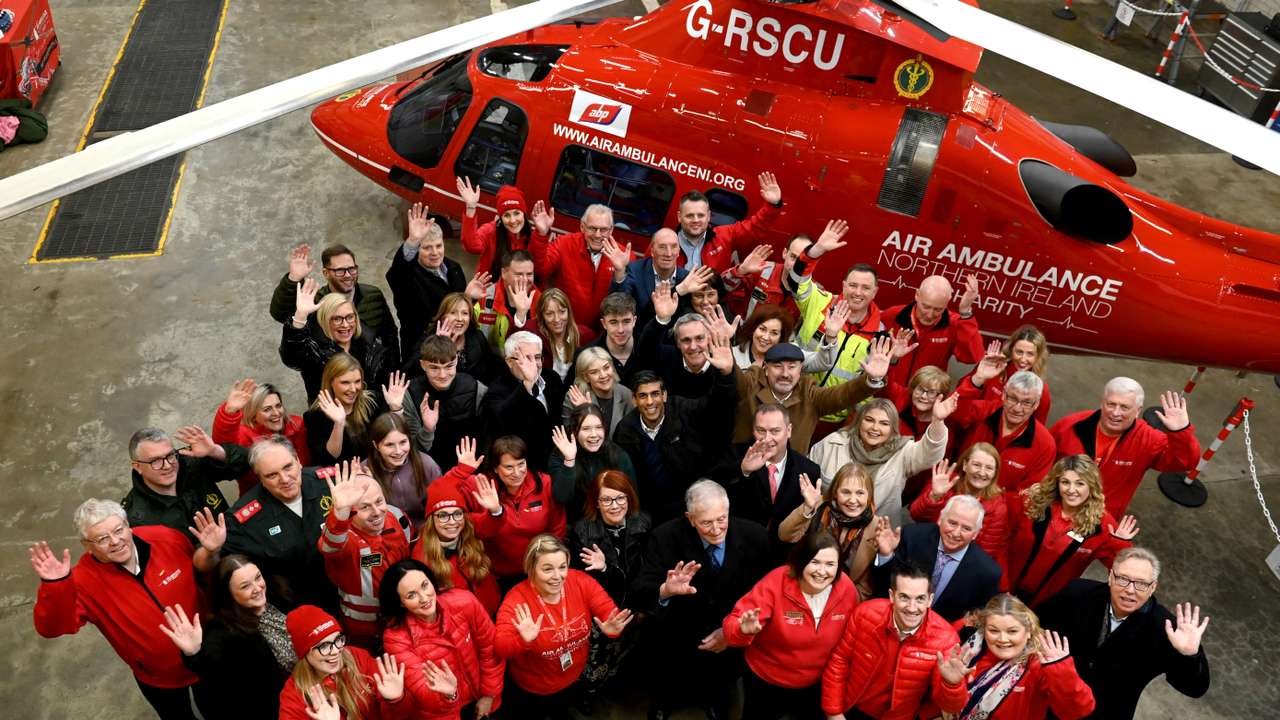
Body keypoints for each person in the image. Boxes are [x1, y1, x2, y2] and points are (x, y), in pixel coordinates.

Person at [30, 499, 223, 719]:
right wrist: (56, 586)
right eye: (102, 539)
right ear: (87, 545)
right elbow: (52, 628)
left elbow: (203, 575)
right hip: (158, 679)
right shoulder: (82, 581)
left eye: (118, 530)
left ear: (127, 525)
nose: (115, 541)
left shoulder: (165, 538)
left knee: (218, 709)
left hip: (207, 657)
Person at [633, 480, 771, 720]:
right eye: (706, 522)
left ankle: (714, 703)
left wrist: (730, 632)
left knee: (719, 687)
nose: (717, 529)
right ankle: (664, 704)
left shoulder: (756, 535)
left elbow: (765, 593)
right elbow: (640, 589)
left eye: (722, 519)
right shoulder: (664, 537)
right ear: (690, 518)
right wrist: (666, 590)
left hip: (727, 631)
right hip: (678, 632)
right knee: (669, 681)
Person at [1036, 547, 1211, 719]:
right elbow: (1034, 628)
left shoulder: (1167, 629)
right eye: (1123, 579)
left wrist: (1189, 656)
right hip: (1047, 705)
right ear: (1111, 577)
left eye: (1141, 584)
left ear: (1153, 588)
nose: (1130, 590)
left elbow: (1194, 688)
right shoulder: (1077, 594)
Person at [722, 531, 859, 720]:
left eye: (830, 564)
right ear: (801, 561)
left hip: (815, 684)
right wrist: (742, 630)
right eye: (815, 562)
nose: (822, 571)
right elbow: (731, 627)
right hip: (767, 681)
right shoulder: (775, 583)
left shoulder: (847, 590)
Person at [494, 535, 633, 718]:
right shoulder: (516, 600)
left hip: (573, 676)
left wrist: (613, 628)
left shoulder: (580, 581)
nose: (557, 577)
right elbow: (500, 648)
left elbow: (608, 610)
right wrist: (522, 640)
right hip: (534, 687)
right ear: (531, 569)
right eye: (547, 569)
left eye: (562, 567)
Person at [821, 561, 972, 720]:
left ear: (930, 600)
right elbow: (839, 661)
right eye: (904, 597)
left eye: (920, 599)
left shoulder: (945, 639)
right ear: (892, 596)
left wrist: (952, 684)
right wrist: (834, 712)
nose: (912, 608)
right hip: (850, 707)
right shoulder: (864, 614)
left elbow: (950, 707)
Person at [156, 555, 296, 720]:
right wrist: (194, 654)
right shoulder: (224, 633)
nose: (257, 588)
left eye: (258, 577)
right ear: (228, 593)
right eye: (245, 586)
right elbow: (215, 673)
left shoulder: (277, 593)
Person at [1050, 378, 1200, 517]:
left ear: (1138, 411)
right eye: (1111, 404)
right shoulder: (1070, 426)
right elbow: (1044, 459)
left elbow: (1186, 462)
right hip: (1056, 512)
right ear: (1102, 403)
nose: (1116, 413)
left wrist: (1180, 432)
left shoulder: (1147, 440)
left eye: (1125, 407)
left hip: (1099, 522)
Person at [1006, 455, 1139, 607]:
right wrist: (1002, 585)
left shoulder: (1102, 525)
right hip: (1004, 590)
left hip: (1049, 605)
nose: (1071, 490)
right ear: (1057, 483)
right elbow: (999, 539)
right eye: (1065, 482)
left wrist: (1120, 545)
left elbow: (1123, 574)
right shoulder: (1032, 502)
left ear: (1092, 486)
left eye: (1080, 484)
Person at [223, 436, 338, 612]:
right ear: (259, 478)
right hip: (296, 607)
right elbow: (218, 563)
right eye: (272, 475)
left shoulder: (330, 482)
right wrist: (209, 551)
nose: (284, 479)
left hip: (347, 592)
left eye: (288, 467)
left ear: (298, 461)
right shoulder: (245, 517)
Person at [380, 559, 503, 719]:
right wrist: (449, 695)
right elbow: (422, 692)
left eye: (425, 585)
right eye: (411, 595)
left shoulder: (465, 601)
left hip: (483, 697)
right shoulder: (395, 638)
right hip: (444, 712)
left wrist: (489, 695)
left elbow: (490, 649)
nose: (424, 598)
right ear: (401, 603)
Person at [613, 367, 739, 524]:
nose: (650, 402)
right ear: (634, 400)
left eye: (655, 394)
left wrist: (725, 376)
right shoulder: (625, 430)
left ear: (664, 395)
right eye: (643, 396)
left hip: (692, 500)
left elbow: (714, 405)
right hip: (651, 510)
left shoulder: (683, 410)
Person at [785, 222, 886, 416]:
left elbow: (865, 386)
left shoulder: (879, 334)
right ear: (843, 285)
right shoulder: (820, 301)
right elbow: (795, 281)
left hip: (831, 417)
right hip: (791, 399)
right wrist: (816, 251)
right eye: (853, 285)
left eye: (865, 288)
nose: (858, 292)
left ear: (875, 292)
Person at [568, 471, 652, 700]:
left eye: (620, 498)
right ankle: (588, 694)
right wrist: (605, 569)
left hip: (633, 605)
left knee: (626, 653)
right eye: (606, 499)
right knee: (596, 659)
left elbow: (646, 571)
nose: (614, 506)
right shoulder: (582, 532)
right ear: (596, 502)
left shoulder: (643, 523)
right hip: (600, 612)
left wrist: (642, 607)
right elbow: (584, 585)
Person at [810, 393, 956, 525]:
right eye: (869, 420)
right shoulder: (832, 443)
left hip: (875, 535)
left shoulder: (903, 451)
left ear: (893, 428)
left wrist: (937, 421)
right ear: (859, 421)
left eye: (884, 423)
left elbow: (930, 453)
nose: (875, 428)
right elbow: (807, 483)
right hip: (825, 528)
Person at [733, 338, 892, 453]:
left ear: (800, 369)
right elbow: (734, 382)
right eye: (778, 366)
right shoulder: (752, 384)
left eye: (792, 367)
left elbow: (843, 394)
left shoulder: (809, 395)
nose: (785, 374)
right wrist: (727, 365)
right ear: (766, 369)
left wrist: (871, 379)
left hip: (785, 479)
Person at [951, 594, 1095, 720]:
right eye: (994, 630)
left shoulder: (1040, 665)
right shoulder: (968, 640)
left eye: (1012, 631)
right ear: (984, 628)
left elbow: (1078, 711)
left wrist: (1061, 669)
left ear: (1028, 632)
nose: (1002, 638)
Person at [319, 461, 412, 647]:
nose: (377, 512)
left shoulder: (395, 517)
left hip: (403, 615)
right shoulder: (344, 538)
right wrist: (339, 514)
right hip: (364, 631)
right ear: (350, 511)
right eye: (364, 507)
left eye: (379, 501)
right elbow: (330, 546)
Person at [452, 435, 567, 585]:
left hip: (538, 570)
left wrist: (548, 564)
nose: (517, 472)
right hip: (496, 575)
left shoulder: (544, 483)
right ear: (495, 468)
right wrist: (461, 472)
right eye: (509, 467)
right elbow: (446, 500)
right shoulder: (480, 485)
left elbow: (557, 528)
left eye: (521, 464)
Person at [269, 242, 400, 370]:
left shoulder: (373, 294)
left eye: (352, 269)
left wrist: (392, 372)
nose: (348, 275)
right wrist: (293, 279)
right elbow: (280, 314)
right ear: (326, 273)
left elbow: (390, 336)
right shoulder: (315, 302)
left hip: (373, 382)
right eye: (340, 271)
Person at [874, 495, 1002, 623]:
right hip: (892, 620)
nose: (956, 533)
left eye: (966, 528)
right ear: (940, 519)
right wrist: (886, 555)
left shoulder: (988, 572)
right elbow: (883, 586)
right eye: (952, 523)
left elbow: (977, 620)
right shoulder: (912, 536)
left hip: (941, 637)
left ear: (975, 533)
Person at [278, 605, 413, 720]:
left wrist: (397, 700)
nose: (336, 650)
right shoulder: (293, 697)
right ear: (305, 653)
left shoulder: (357, 656)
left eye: (338, 639)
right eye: (324, 646)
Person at [710, 403, 822, 534]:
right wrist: (743, 470)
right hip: (738, 542)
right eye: (761, 430)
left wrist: (810, 508)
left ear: (789, 430)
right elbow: (711, 488)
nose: (767, 439)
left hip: (780, 548)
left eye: (775, 431)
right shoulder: (734, 456)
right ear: (753, 430)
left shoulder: (809, 470)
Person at [121, 425, 246, 541]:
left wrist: (214, 451)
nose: (167, 465)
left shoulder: (189, 461)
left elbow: (248, 463)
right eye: (156, 461)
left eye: (170, 455)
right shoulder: (137, 520)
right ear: (137, 467)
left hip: (239, 538)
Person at [777, 462, 881, 600]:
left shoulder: (877, 527)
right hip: (801, 587)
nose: (853, 500)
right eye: (846, 492)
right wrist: (808, 507)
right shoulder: (818, 506)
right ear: (835, 493)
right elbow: (784, 535)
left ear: (869, 496)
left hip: (843, 601)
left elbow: (866, 587)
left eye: (860, 493)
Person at [910, 445, 1013, 581]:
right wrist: (935, 496)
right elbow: (916, 515)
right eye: (976, 465)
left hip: (958, 569)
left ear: (995, 473)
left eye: (989, 468)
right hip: (923, 553)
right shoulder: (944, 482)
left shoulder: (998, 506)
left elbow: (985, 552)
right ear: (965, 465)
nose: (982, 473)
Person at [281, 278, 392, 402]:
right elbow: (291, 357)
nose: (345, 325)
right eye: (337, 319)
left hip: (370, 413)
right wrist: (300, 316)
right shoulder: (314, 349)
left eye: (350, 317)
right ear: (324, 320)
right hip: (328, 416)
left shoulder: (371, 344)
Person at [951, 365, 1057, 492]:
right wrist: (977, 379)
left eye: (1027, 403)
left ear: (1037, 404)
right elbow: (952, 412)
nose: (1017, 408)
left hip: (999, 509)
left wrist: (993, 504)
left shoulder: (1045, 445)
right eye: (1013, 398)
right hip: (957, 493)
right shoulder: (982, 412)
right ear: (1004, 395)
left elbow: (1027, 496)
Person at [386, 202, 468, 357]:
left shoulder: (454, 268)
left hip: (455, 345)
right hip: (422, 352)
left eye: (438, 245)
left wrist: (470, 298)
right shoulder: (408, 277)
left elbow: (458, 307)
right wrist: (412, 241)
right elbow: (398, 272)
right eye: (427, 247)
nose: (435, 252)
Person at [479, 331, 566, 471]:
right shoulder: (497, 390)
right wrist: (527, 385)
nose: (534, 364)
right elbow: (501, 419)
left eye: (537, 357)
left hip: (557, 459)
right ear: (509, 361)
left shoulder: (552, 378)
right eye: (526, 358)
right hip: (523, 467)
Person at [413, 480, 502, 616]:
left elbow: (492, 524)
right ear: (431, 519)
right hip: (463, 622)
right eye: (443, 515)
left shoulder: (468, 526)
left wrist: (495, 510)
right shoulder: (422, 556)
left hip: (493, 608)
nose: (452, 521)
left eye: (457, 513)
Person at [882, 273, 985, 386]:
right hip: (888, 390)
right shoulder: (893, 315)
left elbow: (972, 357)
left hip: (925, 396)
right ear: (917, 295)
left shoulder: (954, 324)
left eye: (938, 309)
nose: (930, 315)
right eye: (926, 306)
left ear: (948, 301)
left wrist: (965, 314)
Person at [671, 172, 784, 273]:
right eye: (690, 215)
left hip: (712, 296)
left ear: (709, 216)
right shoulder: (663, 244)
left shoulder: (724, 236)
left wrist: (773, 205)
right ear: (679, 217)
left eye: (701, 215)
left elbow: (754, 227)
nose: (696, 220)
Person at [402, 334, 486, 471]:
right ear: (423, 365)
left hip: (470, 468)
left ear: (457, 361)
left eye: (448, 366)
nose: (442, 375)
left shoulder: (475, 388)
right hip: (429, 472)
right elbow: (411, 450)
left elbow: (487, 435)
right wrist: (428, 430)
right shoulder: (410, 394)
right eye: (434, 368)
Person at [212, 378, 310, 493]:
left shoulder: (297, 424)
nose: (276, 413)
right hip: (263, 501)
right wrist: (228, 412)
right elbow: (225, 446)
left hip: (303, 491)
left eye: (278, 406)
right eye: (267, 409)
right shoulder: (244, 436)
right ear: (253, 414)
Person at [529, 202, 618, 328]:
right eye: (592, 228)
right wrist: (541, 234)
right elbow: (540, 269)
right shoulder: (564, 244)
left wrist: (621, 271)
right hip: (562, 327)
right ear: (582, 227)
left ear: (611, 230)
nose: (598, 235)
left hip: (601, 333)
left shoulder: (622, 255)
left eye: (603, 229)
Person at [550, 405, 637, 523]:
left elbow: (632, 496)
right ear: (575, 431)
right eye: (586, 429)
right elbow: (562, 498)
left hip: (612, 521)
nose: (594, 434)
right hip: (577, 526)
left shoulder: (617, 455)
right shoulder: (560, 455)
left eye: (598, 427)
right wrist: (569, 460)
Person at [303, 352, 387, 467]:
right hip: (343, 478)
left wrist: (395, 408)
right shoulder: (315, 416)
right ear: (331, 382)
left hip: (375, 471)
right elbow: (326, 460)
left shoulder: (372, 402)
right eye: (345, 383)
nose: (353, 389)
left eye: (357, 381)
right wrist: (339, 423)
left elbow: (389, 438)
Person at [366, 412, 443, 531]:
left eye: (403, 442)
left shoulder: (427, 465)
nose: (398, 451)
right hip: (386, 535)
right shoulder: (365, 471)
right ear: (376, 445)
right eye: (389, 445)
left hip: (426, 532)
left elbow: (441, 505)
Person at [961, 326, 1054, 423]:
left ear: (1038, 356)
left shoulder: (1041, 390)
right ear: (1011, 349)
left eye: (1030, 354)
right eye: (1019, 352)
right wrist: (978, 377)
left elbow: (1036, 425)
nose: (1023, 359)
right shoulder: (993, 369)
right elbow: (960, 398)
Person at [457, 177, 543, 279]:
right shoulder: (490, 231)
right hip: (491, 291)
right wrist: (471, 207)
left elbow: (541, 268)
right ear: (500, 218)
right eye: (506, 215)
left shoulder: (533, 236)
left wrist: (542, 233)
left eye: (517, 213)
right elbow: (471, 245)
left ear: (524, 214)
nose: (513, 220)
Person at [607, 228, 690, 321]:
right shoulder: (635, 271)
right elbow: (617, 307)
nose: (669, 253)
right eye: (662, 247)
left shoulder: (686, 278)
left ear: (678, 251)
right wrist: (620, 271)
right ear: (652, 251)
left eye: (674, 247)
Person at [731, 302, 838, 373]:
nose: (765, 337)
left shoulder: (789, 354)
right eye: (762, 329)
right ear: (753, 328)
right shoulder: (732, 355)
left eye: (774, 333)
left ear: (781, 337)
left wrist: (831, 336)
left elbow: (822, 364)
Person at [474, 249, 538, 354]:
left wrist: (521, 315)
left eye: (529, 274)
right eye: (519, 274)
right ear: (503, 273)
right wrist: (468, 299)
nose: (525, 279)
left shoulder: (540, 301)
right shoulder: (484, 297)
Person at [561, 346, 634, 436]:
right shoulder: (574, 397)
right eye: (594, 372)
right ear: (586, 377)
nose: (603, 375)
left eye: (606, 368)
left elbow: (631, 435)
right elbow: (570, 436)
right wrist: (585, 410)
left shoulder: (626, 394)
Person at [579, 292, 645, 387]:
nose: (620, 330)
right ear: (604, 324)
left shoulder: (649, 349)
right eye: (613, 322)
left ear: (634, 321)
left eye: (626, 321)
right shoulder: (585, 355)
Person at [534, 286, 587, 382]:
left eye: (562, 312)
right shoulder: (536, 337)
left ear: (569, 312)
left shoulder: (584, 335)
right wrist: (521, 313)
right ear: (542, 316)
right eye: (549, 314)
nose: (557, 319)